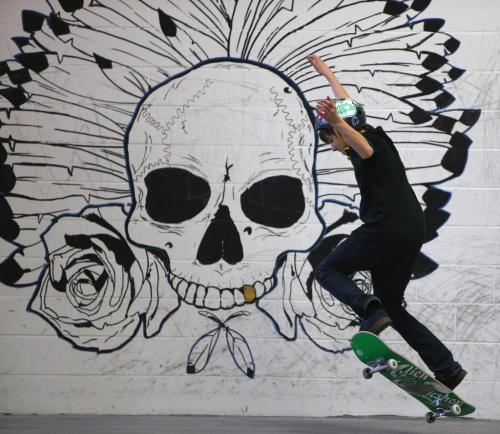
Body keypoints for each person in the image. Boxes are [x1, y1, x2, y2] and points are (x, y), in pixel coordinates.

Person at [306, 54, 467, 390]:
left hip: (385, 229)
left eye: (331, 140)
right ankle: (447, 368)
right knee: (393, 305)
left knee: (326, 270)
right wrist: (327, 74)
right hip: (410, 231)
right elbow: (350, 106)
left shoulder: (367, 143)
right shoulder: (375, 133)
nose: (333, 147)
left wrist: (336, 122)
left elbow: (360, 145)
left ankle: (370, 309)